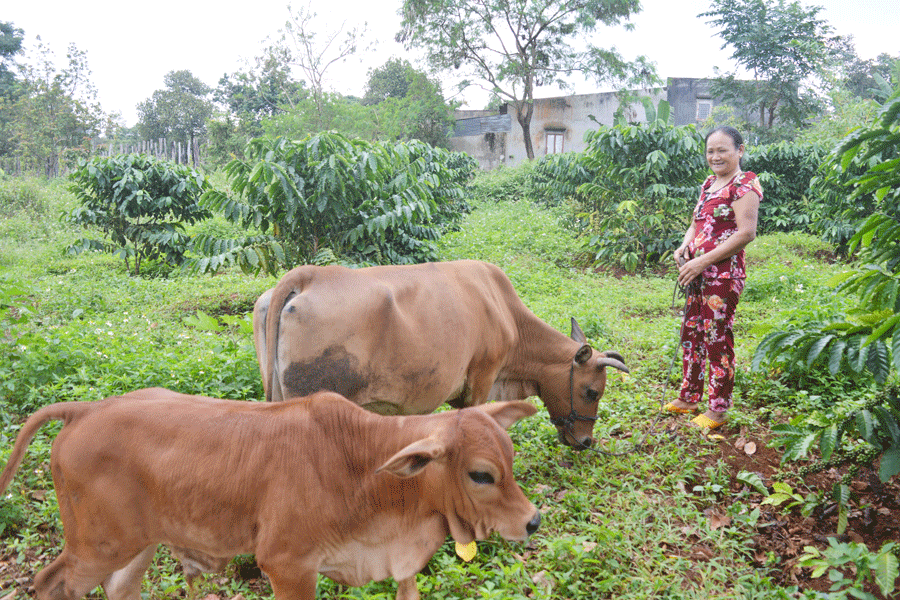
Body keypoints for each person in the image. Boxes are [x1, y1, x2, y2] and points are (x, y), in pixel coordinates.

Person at [666, 126, 762, 430]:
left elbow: (746, 233)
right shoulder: (709, 183)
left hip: (723, 276)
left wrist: (703, 261)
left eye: (723, 150)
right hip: (695, 272)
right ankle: (689, 396)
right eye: (710, 151)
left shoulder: (744, 184)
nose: (715, 156)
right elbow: (697, 224)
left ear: (740, 150)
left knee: (716, 337)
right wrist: (685, 247)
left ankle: (718, 410)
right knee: (691, 331)